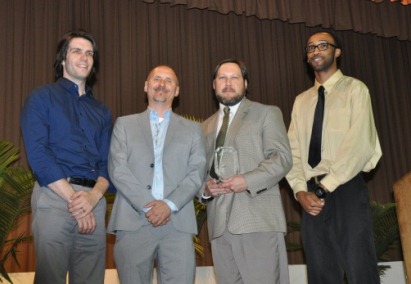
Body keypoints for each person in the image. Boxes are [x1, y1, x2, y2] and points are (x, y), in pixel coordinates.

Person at [286, 31, 382, 283]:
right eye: (310, 48)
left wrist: (324, 188)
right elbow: (293, 151)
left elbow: (359, 144)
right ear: (306, 57)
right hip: (310, 195)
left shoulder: (355, 89)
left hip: (345, 186)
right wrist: (299, 191)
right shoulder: (301, 101)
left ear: (337, 52)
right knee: (320, 272)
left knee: (360, 267)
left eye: (323, 45)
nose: (315, 50)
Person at [20, 30, 112, 284]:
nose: (84, 57)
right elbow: (39, 156)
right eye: (77, 51)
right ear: (63, 59)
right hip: (54, 196)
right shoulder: (41, 98)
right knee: (51, 278)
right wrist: (75, 201)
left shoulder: (102, 111)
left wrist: (92, 199)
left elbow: (107, 164)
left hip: (95, 201)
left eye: (90, 53)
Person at [107, 65, 207, 284]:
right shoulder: (124, 124)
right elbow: (118, 169)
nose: (162, 85)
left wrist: (169, 204)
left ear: (177, 90)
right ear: (146, 86)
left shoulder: (193, 130)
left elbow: (196, 173)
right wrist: (149, 204)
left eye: (169, 81)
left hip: (178, 224)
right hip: (133, 221)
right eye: (157, 79)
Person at [201, 59, 292, 284]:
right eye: (222, 78)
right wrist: (204, 188)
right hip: (219, 228)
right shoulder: (204, 127)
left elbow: (282, 158)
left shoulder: (266, 113)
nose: (228, 83)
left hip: (257, 220)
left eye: (234, 77)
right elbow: (197, 172)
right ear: (214, 84)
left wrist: (247, 180)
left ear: (245, 83)